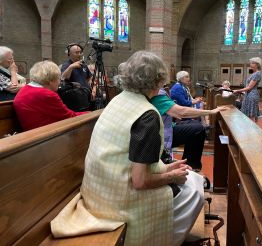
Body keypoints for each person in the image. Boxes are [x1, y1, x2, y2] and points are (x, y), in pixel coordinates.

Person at [50, 51, 204, 246]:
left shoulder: (118, 99)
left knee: (190, 180)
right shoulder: (147, 115)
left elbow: (124, 156)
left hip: (98, 192)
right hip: (119, 202)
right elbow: (139, 181)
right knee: (194, 190)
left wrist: (166, 168)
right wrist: (171, 176)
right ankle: (163, 240)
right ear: (157, 80)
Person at [150, 87, 228, 170]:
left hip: (168, 124)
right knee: (198, 130)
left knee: (195, 124)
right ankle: (191, 166)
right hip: (159, 133)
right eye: (186, 77)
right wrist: (211, 111)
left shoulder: (156, 91)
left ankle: (188, 163)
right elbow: (182, 111)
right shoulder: (156, 93)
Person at [13, 61, 88, 131]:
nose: (59, 82)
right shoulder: (46, 94)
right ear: (51, 81)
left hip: (31, 131)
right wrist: (91, 113)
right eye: (59, 79)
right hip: (46, 136)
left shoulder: (25, 89)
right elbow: (69, 117)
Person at [60, 43, 92, 110]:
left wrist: (93, 88)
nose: (79, 54)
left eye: (80, 52)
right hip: (75, 100)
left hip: (86, 96)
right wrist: (71, 67)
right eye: (77, 52)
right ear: (69, 54)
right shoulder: (66, 65)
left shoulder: (84, 65)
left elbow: (89, 78)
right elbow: (63, 77)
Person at [233, 57, 262, 121]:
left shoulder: (257, 74)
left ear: (257, 64)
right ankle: (249, 128)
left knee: (251, 114)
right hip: (249, 94)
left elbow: (249, 87)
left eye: (252, 63)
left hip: (252, 95)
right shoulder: (255, 73)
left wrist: (237, 90)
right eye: (250, 63)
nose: (250, 64)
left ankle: (251, 129)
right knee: (248, 114)